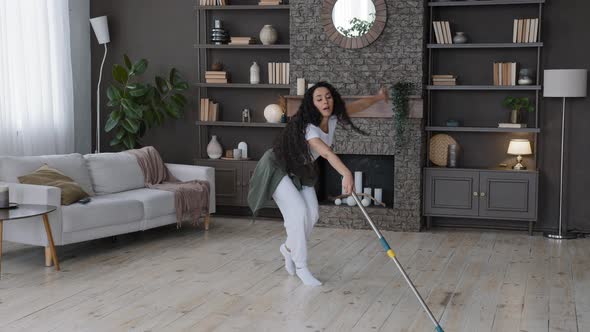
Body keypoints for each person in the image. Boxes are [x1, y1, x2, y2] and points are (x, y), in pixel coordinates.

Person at [248, 82, 389, 286]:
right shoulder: (308, 127)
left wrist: (378, 97)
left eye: (328, 96)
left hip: (301, 169)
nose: (325, 101)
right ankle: (301, 266)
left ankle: (288, 249)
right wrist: (346, 173)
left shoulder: (331, 117)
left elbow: (357, 106)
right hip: (277, 167)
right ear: (311, 104)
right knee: (298, 213)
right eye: (319, 98)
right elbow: (326, 152)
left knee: (312, 214)